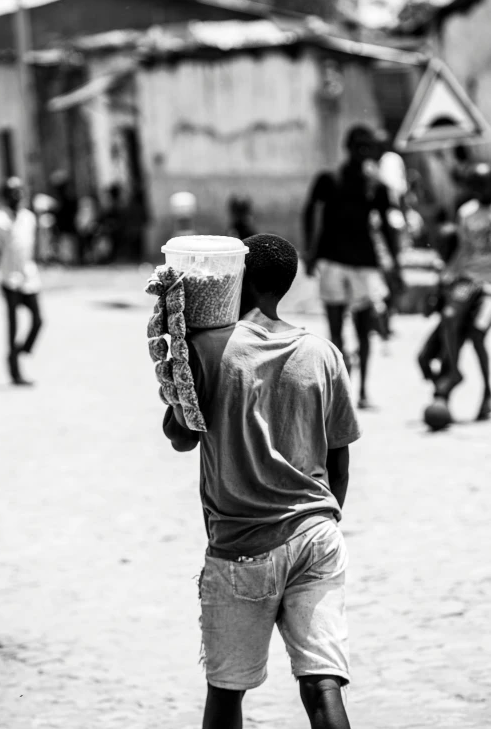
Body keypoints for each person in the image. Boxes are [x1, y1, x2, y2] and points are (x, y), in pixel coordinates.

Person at [163, 234, 361, 729]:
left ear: (236, 277)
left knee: (226, 694)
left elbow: (181, 437)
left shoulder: (211, 348)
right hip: (318, 536)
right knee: (322, 687)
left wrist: (178, 371)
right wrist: (312, 523)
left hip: (242, 548)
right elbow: (340, 465)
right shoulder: (323, 352)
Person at [302, 125, 403, 408]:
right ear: (348, 148)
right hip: (333, 261)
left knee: (363, 328)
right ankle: (340, 386)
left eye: (368, 147)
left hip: (364, 265)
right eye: (359, 146)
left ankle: (362, 390)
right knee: (334, 332)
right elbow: (310, 209)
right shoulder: (329, 180)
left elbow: (387, 226)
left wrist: (394, 265)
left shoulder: (376, 186)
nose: (363, 152)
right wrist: (310, 250)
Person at [428, 163, 491, 420]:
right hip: (469, 279)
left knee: (477, 333)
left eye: (483, 184)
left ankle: (488, 391)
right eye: (475, 185)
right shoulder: (466, 212)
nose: (480, 190)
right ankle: (454, 371)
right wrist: (447, 275)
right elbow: (463, 250)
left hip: (490, 285)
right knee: (450, 317)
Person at [0, 177, 43, 385]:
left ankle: (21, 349)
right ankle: (15, 371)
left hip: (28, 276)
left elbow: (30, 246)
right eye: (12, 194)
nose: (17, 197)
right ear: (4, 198)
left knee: (38, 319)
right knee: (13, 326)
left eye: (19, 192)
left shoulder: (28, 218)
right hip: (9, 279)